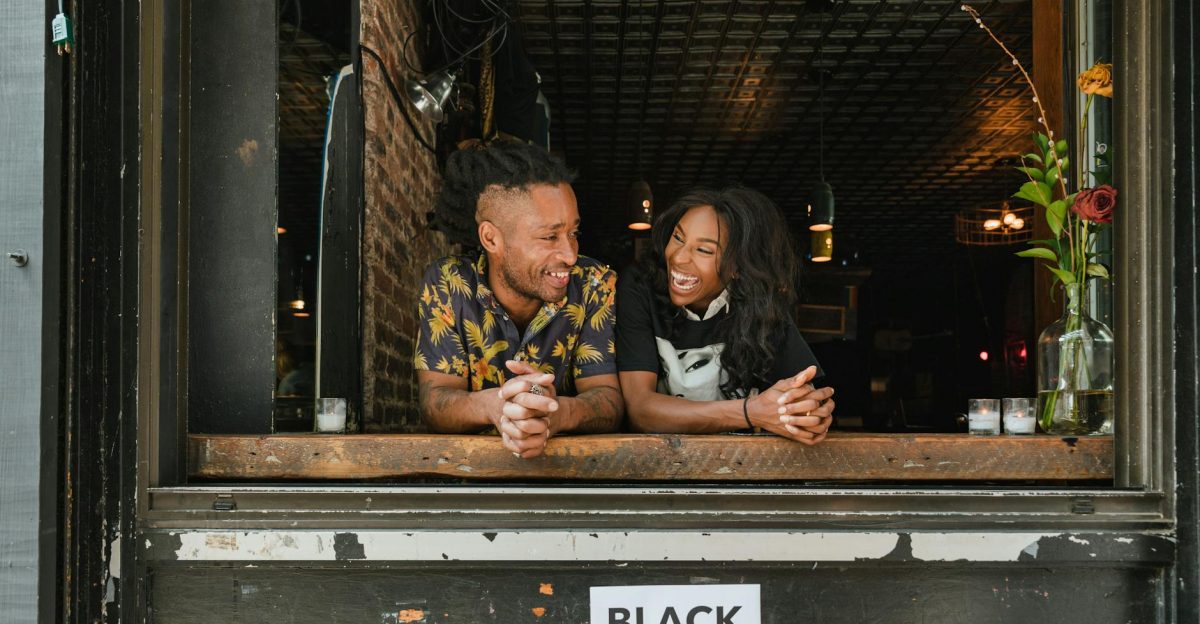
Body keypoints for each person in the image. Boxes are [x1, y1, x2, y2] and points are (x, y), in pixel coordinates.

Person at [414, 140, 623, 458]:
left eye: (573, 233)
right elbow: (434, 401)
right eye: (549, 236)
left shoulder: (593, 283)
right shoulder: (448, 283)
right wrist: (496, 406)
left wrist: (554, 412)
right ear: (491, 238)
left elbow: (608, 399)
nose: (570, 255)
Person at [615, 186, 835, 444]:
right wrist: (751, 412)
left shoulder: (760, 303)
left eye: (704, 250)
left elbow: (803, 396)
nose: (679, 257)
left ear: (737, 267)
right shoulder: (640, 286)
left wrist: (808, 413)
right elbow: (640, 410)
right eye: (678, 237)